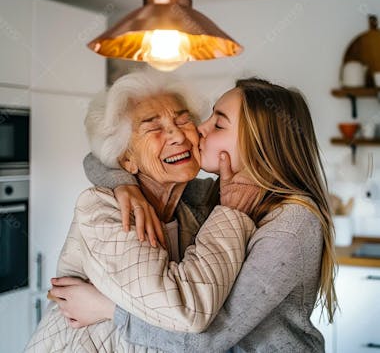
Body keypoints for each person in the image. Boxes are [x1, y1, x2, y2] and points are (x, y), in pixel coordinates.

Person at [54, 77, 337, 352]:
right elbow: (101, 154)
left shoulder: (290, 224)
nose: (199, 129)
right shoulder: (207, 198)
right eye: (207, 118)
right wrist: (124, 185)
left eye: (218, 123)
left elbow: (208, 340)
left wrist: (106, 308)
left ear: (258, 143)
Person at [25, 71, 255, 352]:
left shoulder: (194, 203)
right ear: (127, 159)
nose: (176, 135)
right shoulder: (103, 210)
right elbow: (187, 311)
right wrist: (231, 212)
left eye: (183, 119)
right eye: (152, 127)